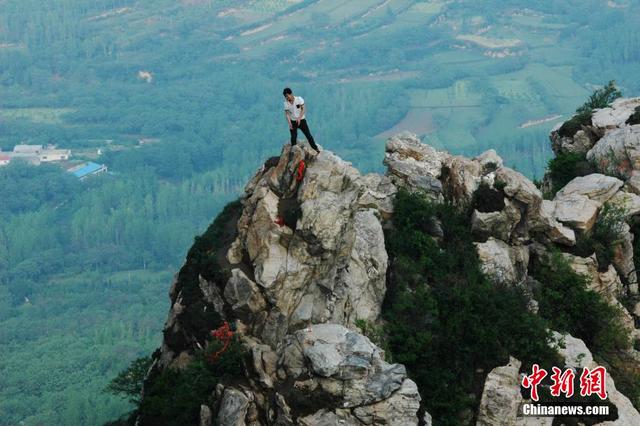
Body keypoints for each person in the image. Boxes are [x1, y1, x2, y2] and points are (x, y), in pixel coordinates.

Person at [283, 87, 320, 153]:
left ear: (291, 94)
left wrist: (299, 118)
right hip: (293, 121)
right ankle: (293, 152)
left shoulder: (299, 99)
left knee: (308, 136)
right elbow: (287, 114)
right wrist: (289, 123)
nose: (287, 98)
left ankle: (315, 148)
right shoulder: (286, 103)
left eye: (287, 96)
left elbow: (303, 109)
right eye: (285, 97)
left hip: (302, 120)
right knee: (293, 138)